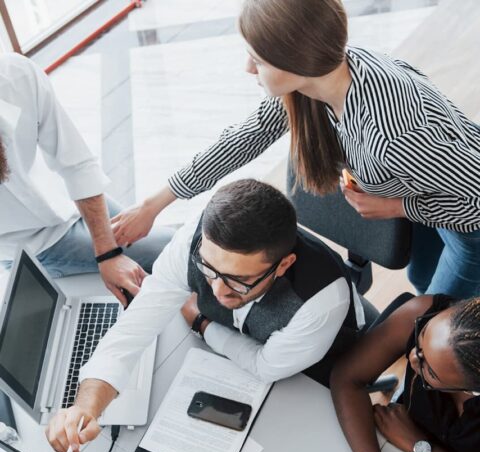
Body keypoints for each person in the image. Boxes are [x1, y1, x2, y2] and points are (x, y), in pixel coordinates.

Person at [110, 0, 480, 299]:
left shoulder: (393, 138)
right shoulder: (323, 78)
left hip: (467, 218)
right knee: (422, 276)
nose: (248, 68)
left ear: (295, 60)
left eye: (258, 58)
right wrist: (151, 206)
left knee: (438, 311)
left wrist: (398, 206)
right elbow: (243, 138)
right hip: (430, 195)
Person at [45, 178, 362, 452]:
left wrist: (202, 324)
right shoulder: (196, 240)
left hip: (315, 369)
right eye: (209, 269)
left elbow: (266, 366)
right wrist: (86, 407)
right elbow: (130, 333)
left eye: (238, 279)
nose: (218, 291)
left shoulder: (321, 302)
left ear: (282, 265)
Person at [0, 53, 173, 306]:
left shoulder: (16, 74)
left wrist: (108, 252)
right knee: (167, 250)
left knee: (178, 249)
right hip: (32, 244)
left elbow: (75, 162)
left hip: (67, 198)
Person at [330, 294, 480, 452]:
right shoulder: (423, 312)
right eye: (420, 341)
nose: (411, 358)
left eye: (428, 370)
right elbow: (347, 377)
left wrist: (421, 447)